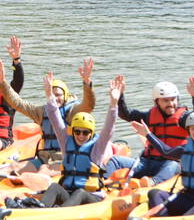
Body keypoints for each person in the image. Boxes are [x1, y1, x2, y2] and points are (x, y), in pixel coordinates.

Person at [15, 73, 126, 208]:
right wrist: (49, 96)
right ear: (73, 131)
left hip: (91, 196)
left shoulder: (97, 148)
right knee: (55, 187)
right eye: (77, 131)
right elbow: (55, 119)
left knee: (80, 193)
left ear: (91, 133)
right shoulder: (66, 142)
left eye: (85, 132)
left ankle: (59, 213)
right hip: (70, 194)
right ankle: (38, 209)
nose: (81, 135)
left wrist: (114, 103)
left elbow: (109, 129)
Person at [0, 58, 97, 172]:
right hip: (44, 158)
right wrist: (2, 82)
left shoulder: (73, 111)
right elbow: (18, 103)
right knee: (13, 167)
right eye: (52, 94)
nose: (55, 98)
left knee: (44, 170)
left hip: (64, 159)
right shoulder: (42, 112)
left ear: (66, 95)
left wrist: (87, 83)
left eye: (58, 95)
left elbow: (88, 105)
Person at [117, 75, 194, 183]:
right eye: (166, 101)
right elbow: (125, 114)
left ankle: (152, 183)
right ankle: (102, 183)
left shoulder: (183, 118)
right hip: (147, 162)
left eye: (173, 99)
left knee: (172, 165)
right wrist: (120, 95)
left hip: (171, 163)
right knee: (116, 161)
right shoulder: (149, 116)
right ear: (157, 102)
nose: (171, 104)